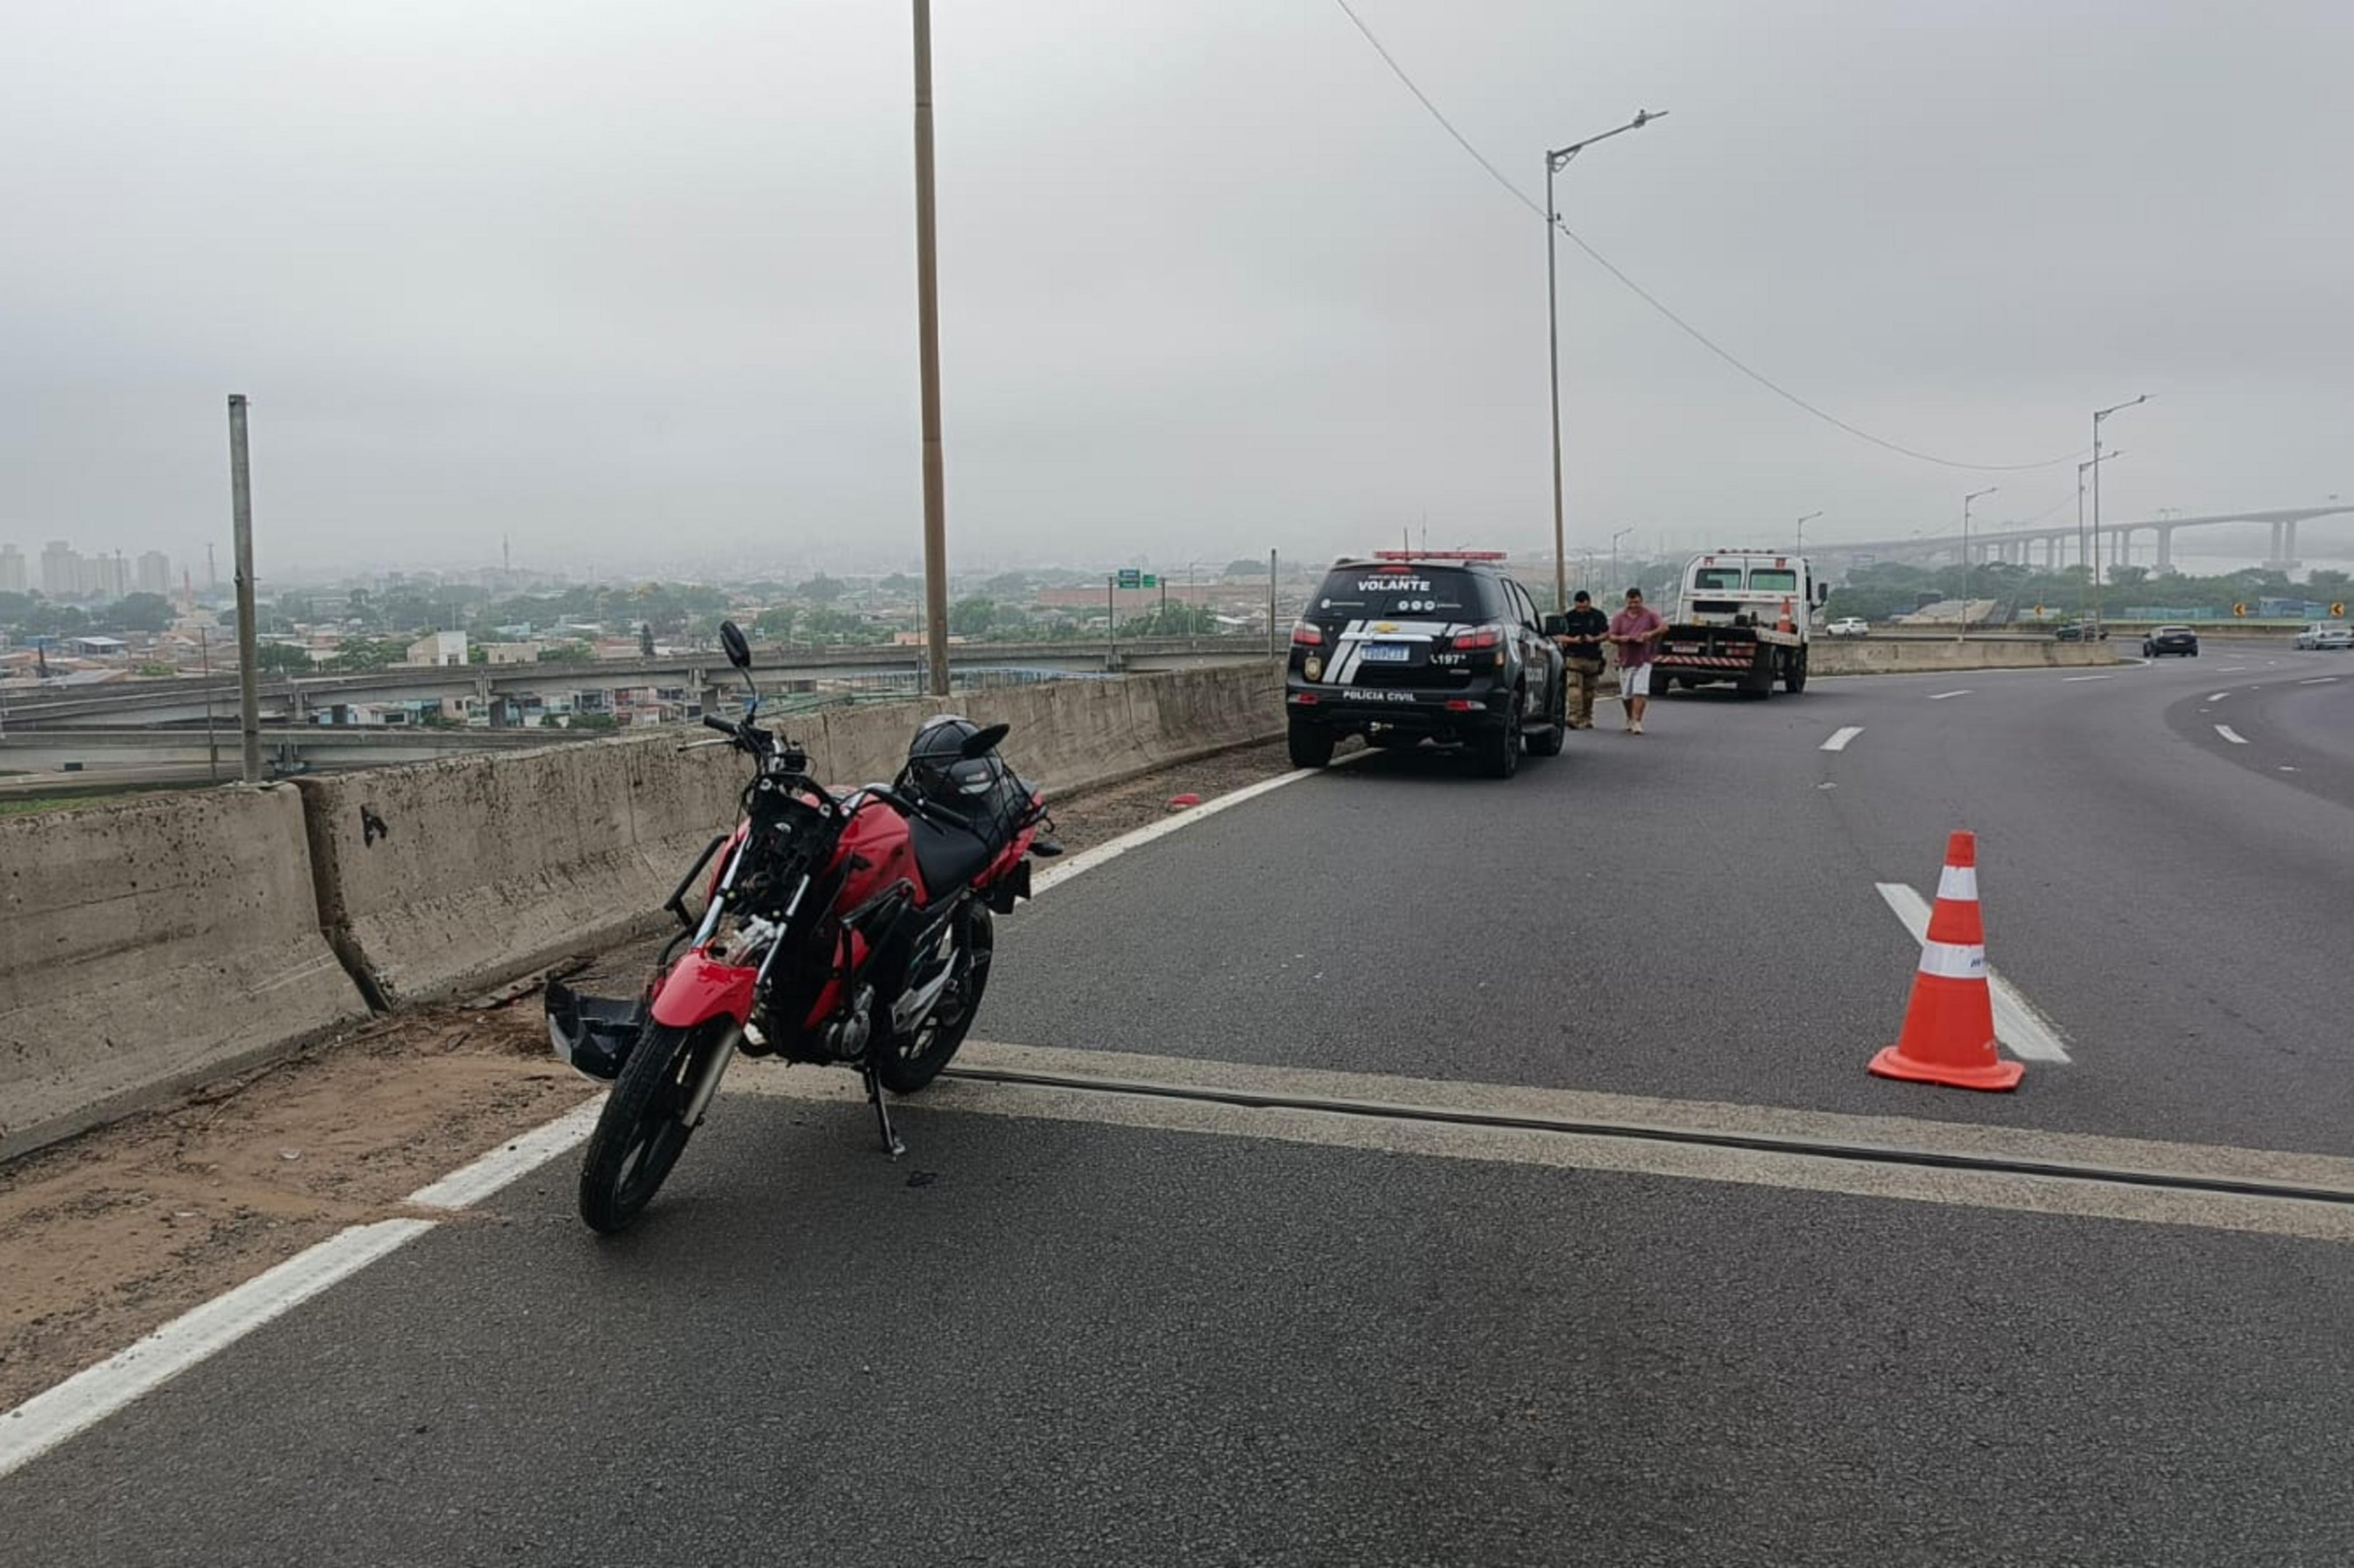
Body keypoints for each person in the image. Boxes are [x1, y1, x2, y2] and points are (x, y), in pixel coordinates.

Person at [1606, 587, 1667, 734]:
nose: (1634, 606)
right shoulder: (1619, 618)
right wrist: (1622, 639)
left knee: (1640, 691)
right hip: (1626, 659)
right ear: (1626, 602)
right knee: (1626, 694)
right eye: (1631, 603)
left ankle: (1637, 720)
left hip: (1643, 658)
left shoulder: (1650, 615)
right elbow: (1611, 636)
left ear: (1641, 601)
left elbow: (1664, 627)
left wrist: (1650, 635)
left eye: (1637, 602)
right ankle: (1629, 716)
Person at [1553, 589, 1609, 730]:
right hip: (1574, 657)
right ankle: (1574, 717)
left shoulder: (1598, 616)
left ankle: (1587, 717)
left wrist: (1594, 639)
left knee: (1589, 692)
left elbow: (1607, 634)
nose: (1581, 610)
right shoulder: (1569, 617)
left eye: (1584, 607)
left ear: (1589, 603)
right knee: (1574, 688)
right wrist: (1574, 640)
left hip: (1593, 658)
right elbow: (1558, 636)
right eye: (1579, 607)